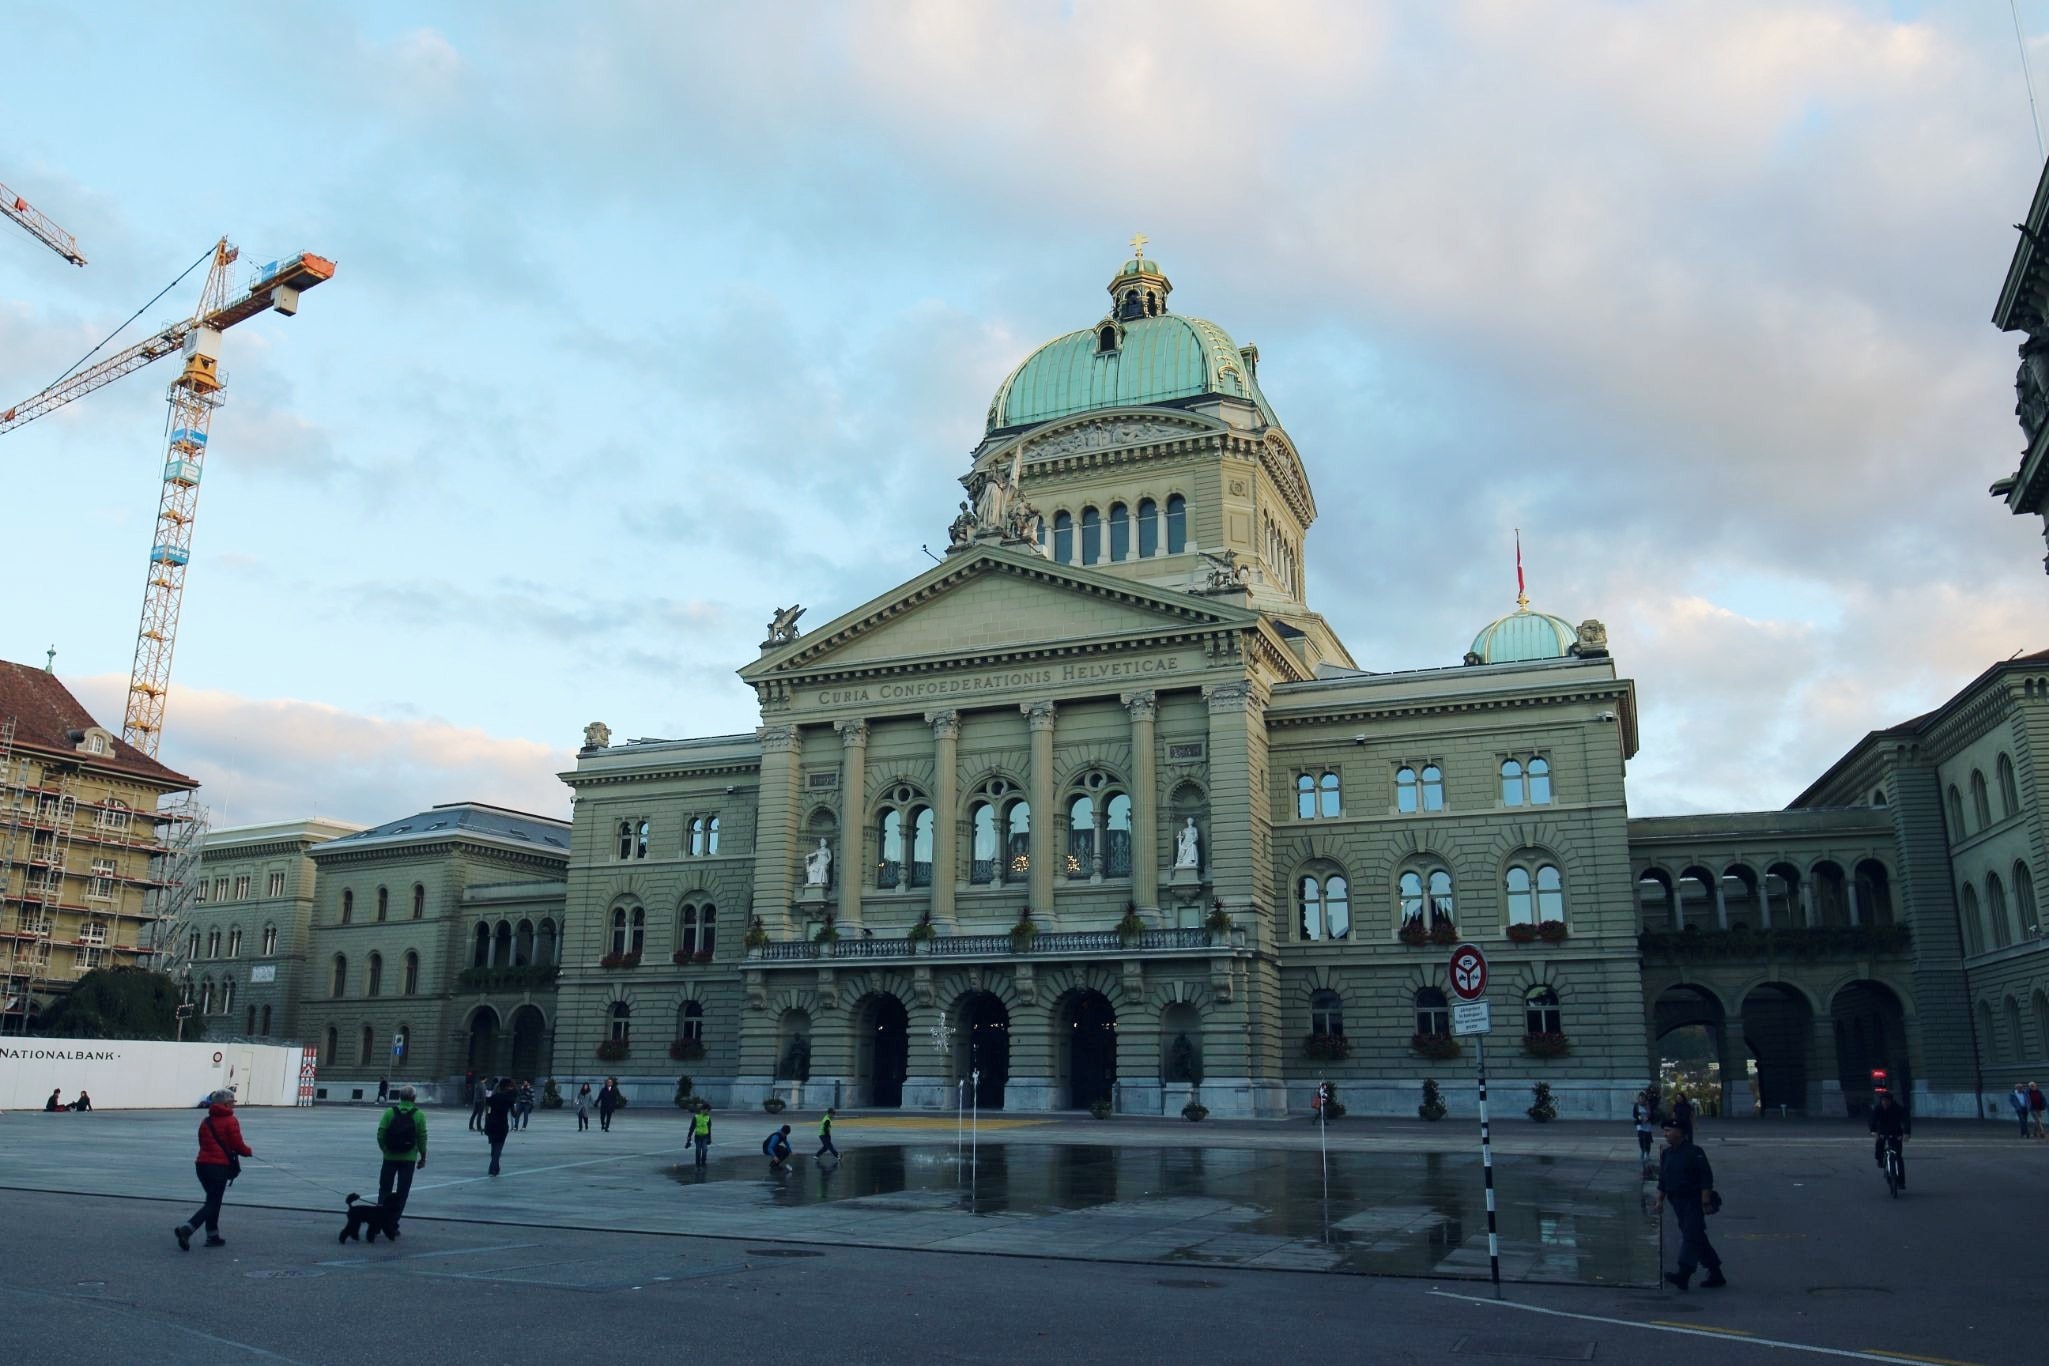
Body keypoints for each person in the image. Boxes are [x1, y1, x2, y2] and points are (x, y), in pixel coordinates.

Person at [1654, 1116, 1724, 1290]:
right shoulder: (1667, 1153)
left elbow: (1706, 1178)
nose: (1665, 1134)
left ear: (1681, 1133)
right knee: (1697, 1237)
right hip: (1676, 1201)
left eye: (1669, 1130)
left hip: (1693, 1200)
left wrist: (1705, 1201)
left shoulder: (1694, 1152)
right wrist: (1659, 1200)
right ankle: (1716, 1273)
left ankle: (1683, 1273)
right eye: (1665, 1130)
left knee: (1691, 1236)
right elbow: (1663, 1179)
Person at [175, 1088, 251, 1250]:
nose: (234, 1106)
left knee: (212, 1200)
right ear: (225, 1104)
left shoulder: (206, 1121)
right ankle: (188, 1229)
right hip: (218, 1167)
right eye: (232, 1102)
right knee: (213, 1202)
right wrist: (247, 1152)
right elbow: (237, 1144)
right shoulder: (231, 1120)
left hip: (202, 1165)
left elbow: (203, 1143)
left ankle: (212, 1235)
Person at [376, 1085, 428, 1236]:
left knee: (384, 1190)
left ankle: (380, 1221)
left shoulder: (389, 1112)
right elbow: (422, 1137)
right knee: (402, 1192)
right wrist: (423, 1157)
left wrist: (385, 1149)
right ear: (414, 1098)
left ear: (399, 1097)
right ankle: (392, 1223)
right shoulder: (419, 1115)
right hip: (408, 1159)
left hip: (389, 1157)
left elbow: (380, 1133)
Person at [1868, 1090, 1909, 1188]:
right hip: (1882, 1130)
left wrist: (1906, 1133)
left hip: (1896, 1131)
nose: (1885, 1103)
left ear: (1891, 1101)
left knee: (1898, 1157)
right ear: (1881, 1101)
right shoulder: (1878, 1108)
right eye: (1883, 1101)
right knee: (1879, 1143)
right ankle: (1879, 1159)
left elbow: (1906, 1121)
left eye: (1887, 1101)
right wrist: (1873, 1131)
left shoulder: (1898, 1109)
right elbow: (1872, 1120)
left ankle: (1901, 1182)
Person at [483, 1075, 517, 1176]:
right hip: (502, 1125)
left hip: (491, 1124)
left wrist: (491, 1087)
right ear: (507, 1087)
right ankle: (493, 1169)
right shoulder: (509, 1099)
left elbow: (487, 1101)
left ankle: (495, 1167)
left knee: (494, 1147)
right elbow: (514, 1114)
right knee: (498, 1148)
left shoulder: (494, 1097)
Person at [1631, 1091, 1656, 1162]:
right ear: (1638, 1098)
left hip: (1647, 1124)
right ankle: (1642, 1151)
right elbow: (1634, 1114)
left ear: (1645, 1098)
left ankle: (1647, 1153)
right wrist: (1639, 1117)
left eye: (1643, 1098)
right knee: (1641, 1137)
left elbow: (1653, 1115)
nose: (1641, 1099)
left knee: (1647, 1139)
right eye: (1640, 1098)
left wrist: (1647, 1118)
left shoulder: (1649, 1105)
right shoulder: (1636, 1105)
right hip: (1640, 1123)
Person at [691, 1103, 713, 1168]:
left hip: (705, 1137)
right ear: (704, 1109)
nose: (708, 1112)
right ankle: (697, 1163)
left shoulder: (708, 1117)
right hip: (698, 1136)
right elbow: (692, 1127)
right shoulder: (696, 1117)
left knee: (704, 1150)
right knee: (698, 1150)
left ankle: (703, 1162)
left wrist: (709, 1138)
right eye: (708, 1110)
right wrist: (689, 1136)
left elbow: (709, 1129)